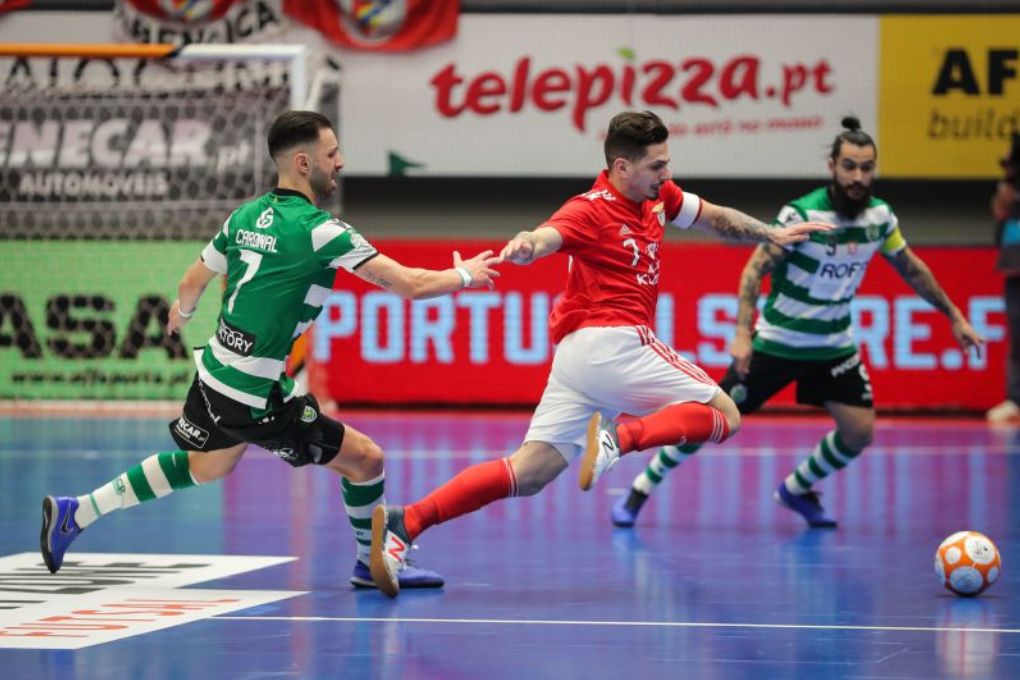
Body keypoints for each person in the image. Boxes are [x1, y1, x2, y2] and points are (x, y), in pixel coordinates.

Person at [366, 110, 832, 597]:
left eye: (667, 163)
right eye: (656, 166)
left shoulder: (659, 198)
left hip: (578, 361)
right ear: (621, 167)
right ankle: (619, 439)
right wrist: (527, 246)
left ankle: (406, 521)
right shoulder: (589, 208)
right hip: (615, 340)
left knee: (530, 472)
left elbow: (713, 216)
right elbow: (548, 235)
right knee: (725, 414)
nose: (666, 174)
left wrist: (770, 233)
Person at [39, 110, 500, 590]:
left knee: (208, 464)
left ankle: (77, 511)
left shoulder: (242, 217)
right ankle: (372, 563)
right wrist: (465, 274)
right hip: (253, 394)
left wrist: (183, 314)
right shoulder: (323, 231)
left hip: (214, 370)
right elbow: (408, 284)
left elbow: (190, 282)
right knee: (367, 461)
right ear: (303, 163)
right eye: (331, 153)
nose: (340, 162)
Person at [612, 116, 986, 529]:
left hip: (834, 347)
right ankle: (642, 487)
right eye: (850, 166)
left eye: (867, 167)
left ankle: (797, 488)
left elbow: (911, 269)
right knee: (709, 420)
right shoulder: (803, 215)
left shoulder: (880, 218)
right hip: (777, 343)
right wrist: (741, 334)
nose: (859, 176)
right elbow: (754, 271)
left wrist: (955, 317)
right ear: (832, 167)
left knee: (859, 432)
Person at [986, 132, 1020, 423]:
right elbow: (999, 211)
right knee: (1017, 336)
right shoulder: (1009, 188)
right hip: (1014, 268)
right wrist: (1008, 186)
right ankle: (1015, 401)